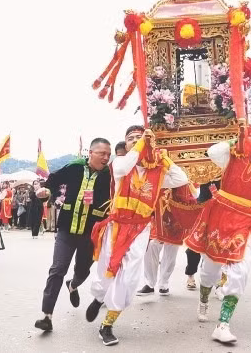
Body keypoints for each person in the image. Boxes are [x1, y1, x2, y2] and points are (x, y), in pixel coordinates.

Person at [86, 128, 188, 346]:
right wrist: (141, 144)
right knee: (107, 270)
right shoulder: (120, 164)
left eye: (139, 137)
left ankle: (107, 324)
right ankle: (98, 297)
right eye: (131, 139)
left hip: (140, 228)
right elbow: (123, 166)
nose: (136, 141)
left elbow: (182, 179)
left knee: (130, 276)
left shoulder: (158, 172)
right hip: (116, 226)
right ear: (126, 144)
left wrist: (165, 159)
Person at [185, 122, 251, 342]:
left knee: (240, 271)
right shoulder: (236, 153)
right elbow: (212, 152)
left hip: (244, 220)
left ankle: (223, 324)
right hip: (219, 214)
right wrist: (236, 139)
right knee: (210, 270)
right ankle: (204, 298)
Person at [34, 138, 113, 333]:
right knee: (57, 269)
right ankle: (46, 316)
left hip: (91, 233)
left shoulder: (110, 175)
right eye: (102, 153)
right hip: (67, 229)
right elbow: (53, 180)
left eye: (108, 155)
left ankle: (73, 284)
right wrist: (46, 190)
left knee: (83, 271)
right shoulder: (75, 167)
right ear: (91, 153)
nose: (106, 157)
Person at [138, 183, 200, 297]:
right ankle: (149, 284)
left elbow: (192, 199)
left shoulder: (182, 180)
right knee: (152, 245)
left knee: (171, 251)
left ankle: (163, 284)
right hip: (158, 218)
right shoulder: (157, 175)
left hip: (176, 220)